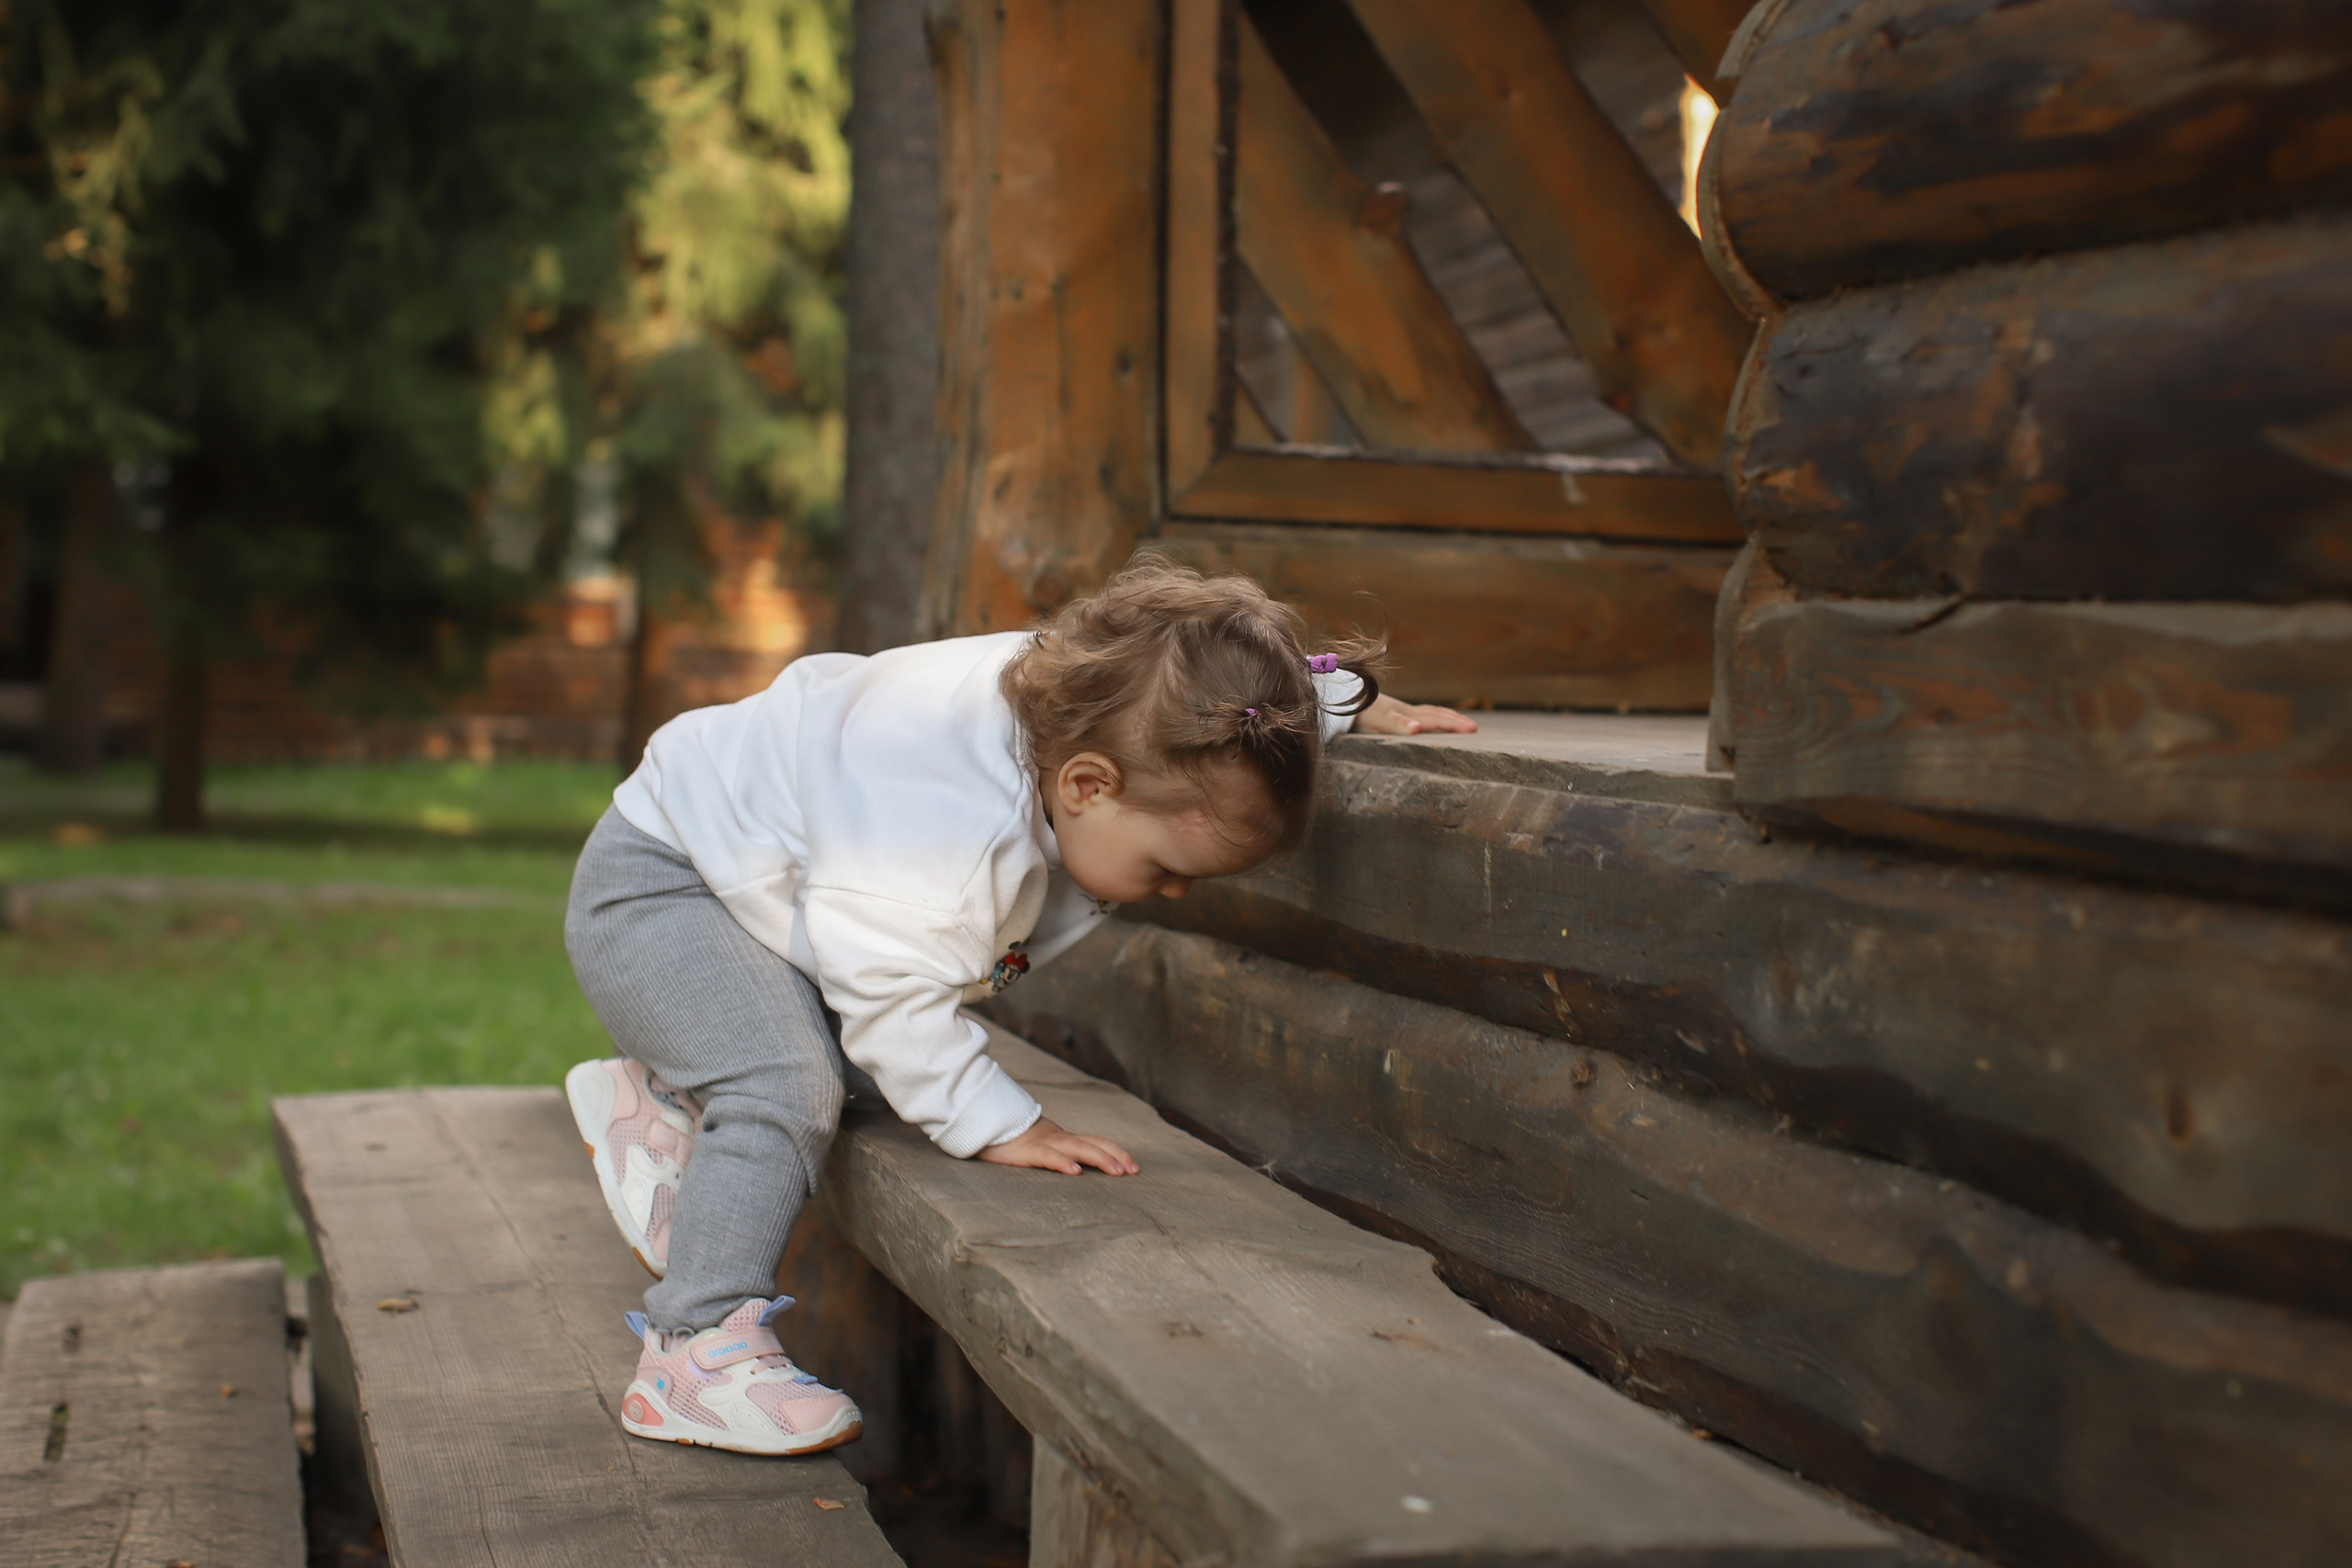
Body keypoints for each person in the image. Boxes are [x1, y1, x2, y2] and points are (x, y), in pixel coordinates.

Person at [560, 558, 1475, 1456]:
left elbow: (1230, 692)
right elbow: (890, 1001)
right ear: (1088, 786)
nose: (1173, 897)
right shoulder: (944, 840)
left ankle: (664, 1100)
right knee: (786, 1084)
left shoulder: (1130, 711)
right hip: (669, 882)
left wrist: (1339, 705)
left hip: (766, 895)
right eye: (1166, 870)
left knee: (860, 1082)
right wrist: (998, 1121)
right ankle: (693, 1353)